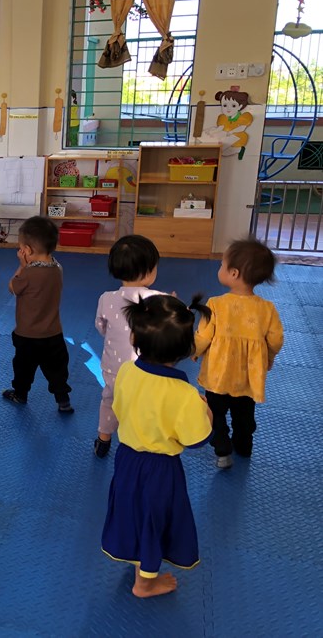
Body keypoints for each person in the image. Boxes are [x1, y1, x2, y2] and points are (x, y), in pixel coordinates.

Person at [101, 294, 213, 598]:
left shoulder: (127, 371)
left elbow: (120, 408)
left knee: (132, 510)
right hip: (160, 469)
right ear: (187, 349)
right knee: (154, 517)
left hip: (126, 458)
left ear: (134, 338)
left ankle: (137, 558)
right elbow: (197, 439)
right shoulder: (184, 394)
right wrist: (206, 411)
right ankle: (145, 582)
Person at [194, 239, 284, 469]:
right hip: (247, 377)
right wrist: (268, 357)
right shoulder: (267, 309)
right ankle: (244, 446)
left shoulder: (215, 304)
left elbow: (203, 337)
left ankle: (222, 447)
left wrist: (193, 352)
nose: (220, 268)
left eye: (222, 265)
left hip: (217, 375)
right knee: (244, 414)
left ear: (233, 273)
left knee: (215, 413)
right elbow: (276, 340)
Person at [94, 235, 164, 458]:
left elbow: (101, 327)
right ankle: (141, 441)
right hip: (147, 370)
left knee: (110, 401)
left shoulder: (106, 298)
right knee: (145, 405)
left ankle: (103, 439)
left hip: (113, 368)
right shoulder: (159, 299)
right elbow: (171, 328)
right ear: (147, 272)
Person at [2, 217, 73, 412]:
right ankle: (63, 400)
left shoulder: (28, 273)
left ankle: (20, 394)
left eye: (21, 249)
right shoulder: (57, 268)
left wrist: (22, 266)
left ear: (28, 250)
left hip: (28, 335)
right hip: (53, 334)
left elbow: (12, 287)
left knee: (23, 369)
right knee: (57, 369)